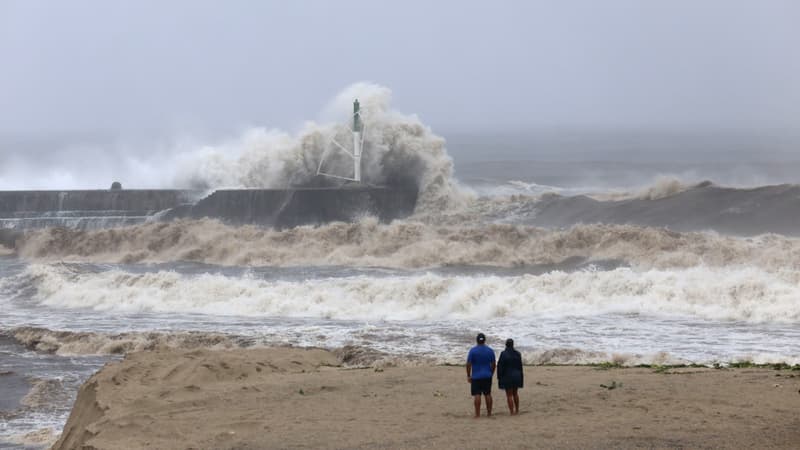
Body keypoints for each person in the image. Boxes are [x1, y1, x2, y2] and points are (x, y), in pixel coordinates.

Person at [466, 332, 496, 418]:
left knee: (477, 394)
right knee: (488, 394)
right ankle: (489, 413)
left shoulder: (473, 351)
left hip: (476, 376)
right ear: (484, 340)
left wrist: (468, 375)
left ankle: (477, 414)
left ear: (477, 340)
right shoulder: (490, 350)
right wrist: (491, 373)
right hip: (487, 375)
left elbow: (468, 364)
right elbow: (494, 364)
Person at [497, 338, 523, 415]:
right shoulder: (518, 353)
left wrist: (499, 377)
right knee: (515, 393)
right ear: (513, 344)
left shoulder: (503, 354)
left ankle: (512, 412)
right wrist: (521, 376)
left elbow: (500, 366)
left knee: (509, 395)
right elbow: (520, 366)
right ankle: (517, 410)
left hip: (507, 376)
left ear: (506, 345)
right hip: (517, 375)